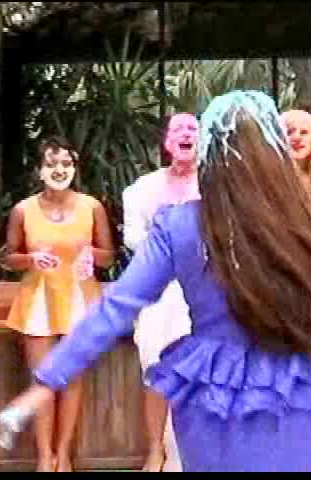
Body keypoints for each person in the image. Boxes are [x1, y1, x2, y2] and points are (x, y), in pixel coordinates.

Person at [0, 91, 311, 472]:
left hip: (209, 389)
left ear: (209, 152)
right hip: (284, 385)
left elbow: (119, 304)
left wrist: (49, 378)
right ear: (275, 150)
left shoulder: (180, 225)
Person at [3, 135, 115, 472]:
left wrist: (90, 255)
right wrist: (31, 259)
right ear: (39, 170)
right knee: (42, 378)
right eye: (51, 163)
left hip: (80, 299)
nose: (59, 169)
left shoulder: (92, 207)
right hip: (38, 299)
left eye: (66, 163)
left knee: (73, 379)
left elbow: (109, 256)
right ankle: (44, 456)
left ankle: (64, 455)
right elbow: (9, 258)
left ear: (75, 168)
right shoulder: (22, 210)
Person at [123, 112, 199, 472]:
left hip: (205, 288)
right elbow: (132, 237)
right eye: (178, 129)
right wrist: (169, 247)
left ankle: (197, 452)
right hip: (159, 289)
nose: (186, 134)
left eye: (193, 128)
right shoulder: (143, 188)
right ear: (167, 142)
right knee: (155, 366)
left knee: (203, 369)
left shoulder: (218, 185)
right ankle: (156, 448)